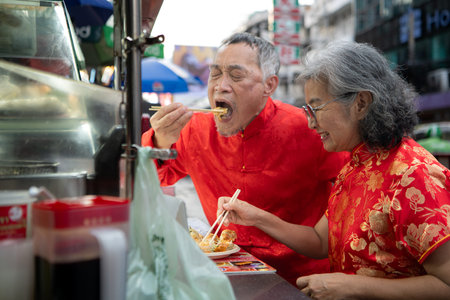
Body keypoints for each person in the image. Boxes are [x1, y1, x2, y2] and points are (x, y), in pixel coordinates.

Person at [218, 40, 450, 299]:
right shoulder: (354, 165)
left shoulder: (412, 175)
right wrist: (255, 217)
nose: (310, 123)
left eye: (316, 108)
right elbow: (319, 241)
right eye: (307, 110)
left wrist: (353, 286)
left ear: (361, 103)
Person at [142, 32, 349, 285]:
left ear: (269, 86)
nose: (221, 86)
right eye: (215, 74)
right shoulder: (193, 130)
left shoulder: (310, 130)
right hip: (225, 274)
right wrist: (160, 140)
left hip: (301, 280)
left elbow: (352, 196)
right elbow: (150, 179)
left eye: (236, 75)